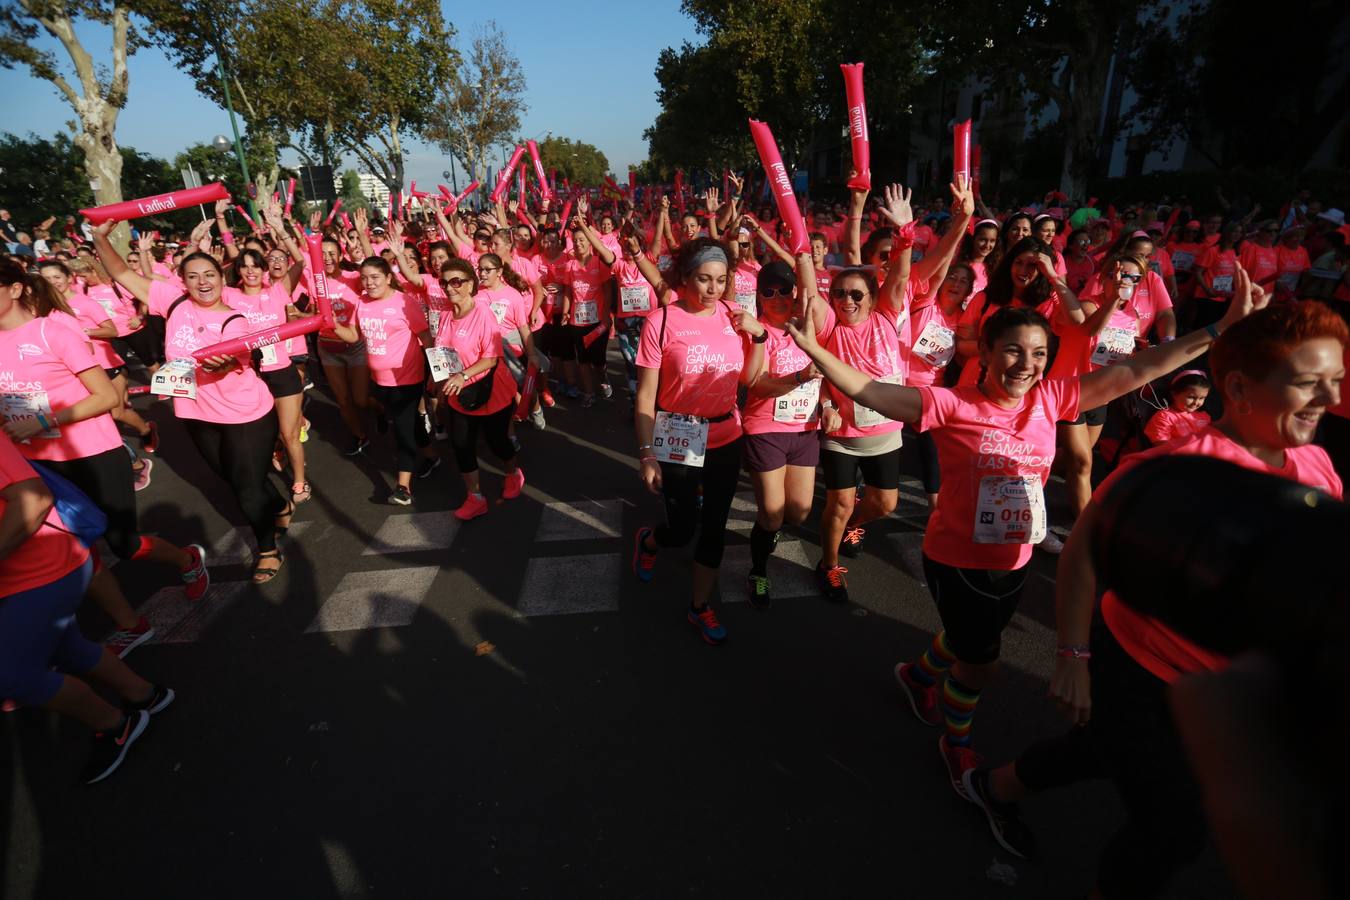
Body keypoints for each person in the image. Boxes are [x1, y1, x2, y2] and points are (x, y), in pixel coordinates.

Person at [784, 265, 1270, 801]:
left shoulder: (1051, 399)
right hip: (958, 560)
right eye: (1013, 351)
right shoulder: (952, 405)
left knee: (974, 636)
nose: (1027, 364)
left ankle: (919, 677)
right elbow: (873, 392)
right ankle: (956, 739)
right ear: (986, 354)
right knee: (982, 663)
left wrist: (1220, 329)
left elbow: (1138, 370)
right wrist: (816, 352)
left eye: (1038, 353)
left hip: (1015, 559)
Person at [962, 297, 1343, 898]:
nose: (1329, 399)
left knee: (1101, 749)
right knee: (1176, 829)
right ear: (1239, 386)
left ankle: (996, 786)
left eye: (1335, 382)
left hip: (1239, 682)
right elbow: (1083, 548)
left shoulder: (1320, 463)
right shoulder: (1178, 468)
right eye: (1308, 383)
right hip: (1143, 668)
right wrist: (1073, 656)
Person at [0, 258, 208, 650]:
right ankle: (130, 622)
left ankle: (186, 560)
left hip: (92, 454)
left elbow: (106, 397)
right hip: (39, 461)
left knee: (123, 544)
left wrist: (43, 421)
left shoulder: (53, 333)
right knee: (74, 545)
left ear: (15, 290)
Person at [92, 221, 289, 584]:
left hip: (246, 412)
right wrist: (99, 237)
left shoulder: (235, 318)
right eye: (194, 275)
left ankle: (267, 549)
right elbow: (119, 271)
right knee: (233, 477)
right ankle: (278, 505)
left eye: (210, 274)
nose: (203, 281)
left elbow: (238, 356)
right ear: (182, 282)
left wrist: (227, 361)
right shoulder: (174, 301)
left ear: (221, 277)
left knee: (246, 488)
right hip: (197, 411)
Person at [0, 432, 175, 784]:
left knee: (9, 676)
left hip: (43, 570)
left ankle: (113, 724)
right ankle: (144, 694)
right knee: (66, 646)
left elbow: (32, 501)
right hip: (26, 574)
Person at [631, 237, 766, 645]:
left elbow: (751, 378)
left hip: (726, 433)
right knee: (683, 527)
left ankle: (699, 606)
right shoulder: (662, 321)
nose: (714, 289)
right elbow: (645, 396)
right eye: (704, 279)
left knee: (715, 527)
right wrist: (647, 454)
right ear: (685, 278)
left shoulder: (734, 315)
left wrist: (758, 337)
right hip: (678, 435)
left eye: (722, 280)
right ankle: (651, 540)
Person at [812, 184, 920, 602]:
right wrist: (825, 405)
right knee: (836, 505)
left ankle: (854, 523)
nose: (847, 301)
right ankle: (828, 563)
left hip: (885, 433)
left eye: (856, 295)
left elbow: (903, 274)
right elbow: (820, 371)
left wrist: (905, 231)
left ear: (874, 299)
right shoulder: (829, 326)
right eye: (839, 294)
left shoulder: (888, 317)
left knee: (885, 504)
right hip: (842, 436)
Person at [329, 255, 436, 505]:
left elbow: (426, 338)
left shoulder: (404, 303)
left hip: (407, 379)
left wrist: (434, 375)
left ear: (389, 278)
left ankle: (403, 488)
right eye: (364, 278)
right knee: (410, 425)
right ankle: (432, 456)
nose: (369, 283)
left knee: (402, 432)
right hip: (380, 381)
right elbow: (354, 336)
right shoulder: (362, 303)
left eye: (375, 277)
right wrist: (333, 325)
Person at [226, 208, 311, 506]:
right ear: (238, 270)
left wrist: (281, 228)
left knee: (289, 434)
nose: (250, 271)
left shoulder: (276, 292)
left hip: (282, 371)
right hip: (249, 377)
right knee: (260, 435)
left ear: (264, 270)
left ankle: (299, 481)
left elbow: (301, 261)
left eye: (256, 265)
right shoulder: (229, 297)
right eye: (245, 266)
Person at [432, 258, 524, 520]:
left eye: (456, 281)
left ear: (470, 284)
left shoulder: (483, 313)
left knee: (497, 443)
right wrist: (438, 381)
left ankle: (513, 473)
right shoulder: (446, 316)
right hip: (458, 393)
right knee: (461, 445)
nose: (449, 287)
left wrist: (462, 375)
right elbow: (442, 353)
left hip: (491, 391)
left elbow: (491, 358)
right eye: (444, 282)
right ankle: (475, 497)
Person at [1143, 370, 1211, 444]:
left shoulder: (1204, 416)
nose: (1196, 403)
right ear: (1174, 394)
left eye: (1202, 398)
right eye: (1191, 397)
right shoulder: (1164, 417)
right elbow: (1162, 447)